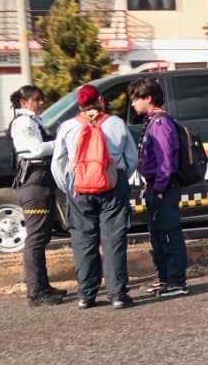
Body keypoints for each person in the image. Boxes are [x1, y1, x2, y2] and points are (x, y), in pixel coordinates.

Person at [52, 84, 139, 309]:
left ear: (79, 104)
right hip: (112, 185)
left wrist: (68, 186)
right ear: (100, 100)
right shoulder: (116, 123)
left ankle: (86, 295)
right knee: (113, 240)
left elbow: (57, 163)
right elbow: (132, 158)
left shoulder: (68, 127)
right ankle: (117, 294)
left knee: (83, 241)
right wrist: (118, 177)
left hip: (79, 188)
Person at [131, 76, 188, 298]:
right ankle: (164, 278)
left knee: (169, 234)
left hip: (163, 187)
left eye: (136, 99)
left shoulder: (161, 123)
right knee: (158, 235)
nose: (133, 104)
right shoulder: (152, 121)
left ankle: (177, 282)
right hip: (154, 186)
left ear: (148, 98)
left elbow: (166, 161)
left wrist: (161, 188)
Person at [8, 85, 65, 306]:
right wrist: (61, 142)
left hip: (40, 182)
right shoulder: (23, 123)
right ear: (24, 102)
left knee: (42, 237)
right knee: (36, 238)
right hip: (33, 183)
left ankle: (43, 285)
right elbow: (36, 149)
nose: (41, 103)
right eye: (37, 99)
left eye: (42, 99)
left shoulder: (34, 121)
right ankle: (35, 291)